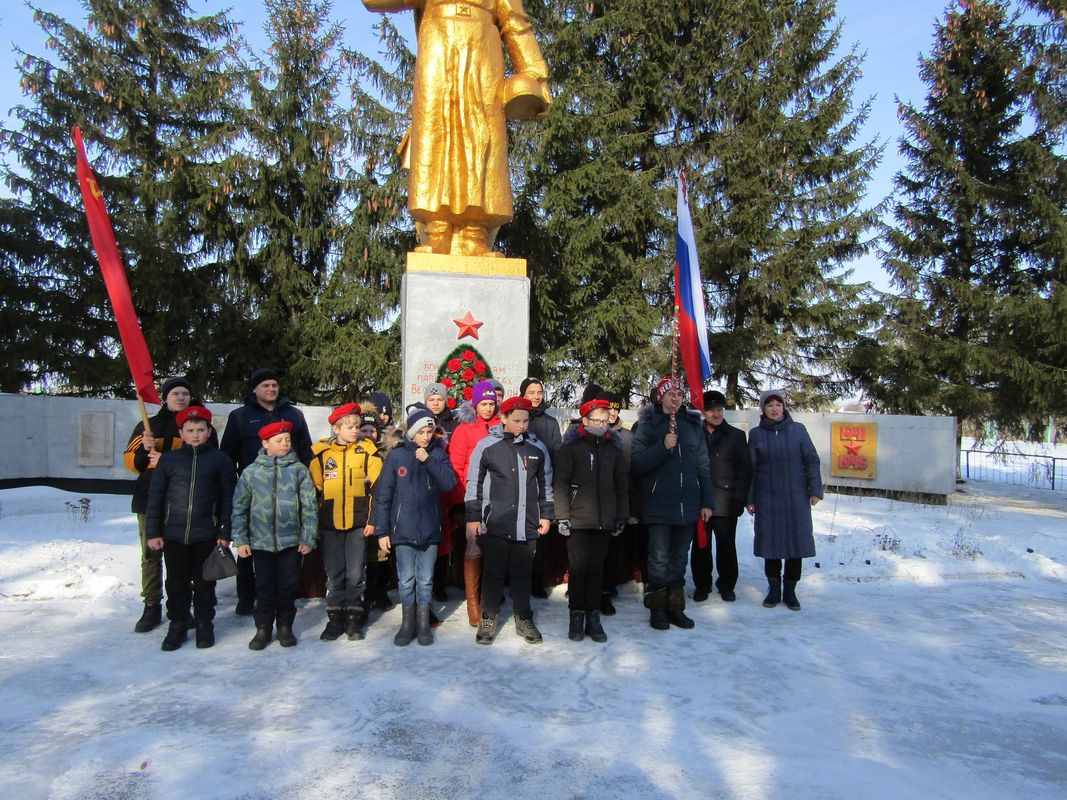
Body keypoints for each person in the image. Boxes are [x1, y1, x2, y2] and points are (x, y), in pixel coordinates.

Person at [361, 0, 551, 258]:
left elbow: (514, 21)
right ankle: (438, 231)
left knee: (482, 137)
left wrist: (534, 74)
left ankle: (475, 234)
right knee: (434, 133)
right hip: (438, 41)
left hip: (483, 46)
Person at [122, 376, 217, 633]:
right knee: (151, 556)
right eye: (175, 393)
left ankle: (184, 607)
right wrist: (144, 451)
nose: (181, 397)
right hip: (150, 499)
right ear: (165, 397)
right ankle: (151, 605)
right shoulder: (148, 425)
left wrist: (166, 459)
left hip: (187, 504)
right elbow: (131, 463)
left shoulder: (202, 426)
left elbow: (211, 458)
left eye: (185, 393)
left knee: (183, 559)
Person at [220, 368, 314, 615]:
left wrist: (305, 481)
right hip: (254, 490)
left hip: (287, 490)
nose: (271, 389)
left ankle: (285, 598)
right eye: (265, 386)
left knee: (286, 551)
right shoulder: (240, 416)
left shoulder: (293, 414)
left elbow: (305, 450)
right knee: (250, 549)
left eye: (274, 385)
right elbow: (227, 455)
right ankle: (246, 596)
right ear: (254, 389)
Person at [144, 406, 236, 651]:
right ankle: (178, 624)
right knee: (176, 583)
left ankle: (205, 624)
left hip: (207, 534)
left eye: (201, 430)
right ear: (181, 433)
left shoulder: (220, 460)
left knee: (205, 583)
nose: (196, 435)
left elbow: (229, 498)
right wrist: (153, 532)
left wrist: (225, 532)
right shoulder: (170, 460)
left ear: (209, 432)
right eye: (190, 430)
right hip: (173, 535)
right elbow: (156, 497)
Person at [465, 396, 553, 645]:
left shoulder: (537, 449)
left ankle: (524, 617)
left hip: (527, 524)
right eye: (516, 421)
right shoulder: (487, 447)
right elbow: (475, 484)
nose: (521, 426)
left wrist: (546, 514)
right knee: (493, 574)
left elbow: (545, 485)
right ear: (503, 418)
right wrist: (473, 518)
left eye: (525, 421)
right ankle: (489, 616)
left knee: (523, 573)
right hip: (496, 523)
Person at [631, 378, 713, 631]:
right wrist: (662, 446)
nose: (675, 398)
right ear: (660, 398)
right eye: (670, 394)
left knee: (679, 559)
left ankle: (675, 606)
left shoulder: (692, 427)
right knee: (658, 559)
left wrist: (706, 501)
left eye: (679, 393)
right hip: (658, 505)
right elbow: (637, 464)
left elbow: (703, 466)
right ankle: (657, 608)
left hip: (687, 505)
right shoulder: (647, 427)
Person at [372, 406, 457, 646]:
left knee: (426, 579)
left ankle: (423, 624)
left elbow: (449, 483)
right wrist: (382, 531)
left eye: (429, 431)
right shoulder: (396, 456)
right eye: (420, 431)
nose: (425, 436)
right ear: (411, 432)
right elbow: (384, 495)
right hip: (402, 530)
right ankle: (407, 622)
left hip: (430, 529)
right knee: (406, 580)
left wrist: (429, 460)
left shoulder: (437, 454)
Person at [231, 421, 319, 650]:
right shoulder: (252, 473)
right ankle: (263, 628)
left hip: (291, 541)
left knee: (287, 586)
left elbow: (310, 507)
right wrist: (240, 539)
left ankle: (284, 626)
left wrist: (308, 537)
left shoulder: (299, 471)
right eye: (279, 441)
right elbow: (239, 507)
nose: (285, 444)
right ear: (265, 444)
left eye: (287, 440)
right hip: (261, 543)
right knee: (264, 586)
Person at [554, 399, 628, 643]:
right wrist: (562, 516)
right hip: (577, 519)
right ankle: (576, 614)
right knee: (579, 569)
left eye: (605, 420)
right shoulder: (571, 447)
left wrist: (620, 515)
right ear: (584, 420)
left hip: (604, 520)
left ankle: (593, 616)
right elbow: (561, 483)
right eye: (596, 419)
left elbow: (621, 485)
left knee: (597, 569)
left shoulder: (613, 449)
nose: (601, 424)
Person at [309, 402, 382, 641]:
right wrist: (316, 524)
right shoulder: (322, 456)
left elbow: (377, 490)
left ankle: (353, 619)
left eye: (357, 427)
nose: (354, 431)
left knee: (355, 574)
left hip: (358, 523)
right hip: (330, 525)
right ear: (336, 429)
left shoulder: (368, 454)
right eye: (349, 427)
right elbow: (314, 492)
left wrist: (372, 520)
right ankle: (334, 620)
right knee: (335, 574)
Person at [747, 389, 823, 611]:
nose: (774, 409)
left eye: (777, 404)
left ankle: (790, 591)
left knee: (795, 544)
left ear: (784, 407)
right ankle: (773, 589)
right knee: (770, 543)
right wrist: (750, 498)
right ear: (763, 409)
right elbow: (750, 468)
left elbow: (812, 460)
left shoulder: (798, 431)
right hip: (767, 498)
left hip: (796, 497)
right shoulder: (756, 434)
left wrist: (815, 489)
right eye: (769, 405)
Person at [690, 389, 751, 603]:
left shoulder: (735, 436)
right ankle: (702, 584)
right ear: (703, 412)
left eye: (719, 409)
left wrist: (738, 499)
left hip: (725, 501)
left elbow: (744, 471)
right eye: (710, 410)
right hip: (699, 501)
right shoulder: (694, 433)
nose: (716, 414)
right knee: (700, 546)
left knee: (726, 546)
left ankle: (727, 585)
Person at [448, 380, 499, 626]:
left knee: (495, 551)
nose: (488, 408)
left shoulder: (502, 427)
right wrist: (462, 502)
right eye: (484, 404)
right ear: (475, 405)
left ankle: (491, 598)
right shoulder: (464, 429)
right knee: (474, 547)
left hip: (499, 499)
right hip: (474, 499)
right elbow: (457, 467)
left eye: (492, 404)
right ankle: (473, 602)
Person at [520, 377, 561, 598]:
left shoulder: (550, 422)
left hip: (541, 485)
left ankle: (536, 580)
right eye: (531, 392)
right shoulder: (516, 419)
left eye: (539, 392)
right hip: (517, 485)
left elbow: (557, 454)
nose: (536, 396)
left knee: (539, 536)